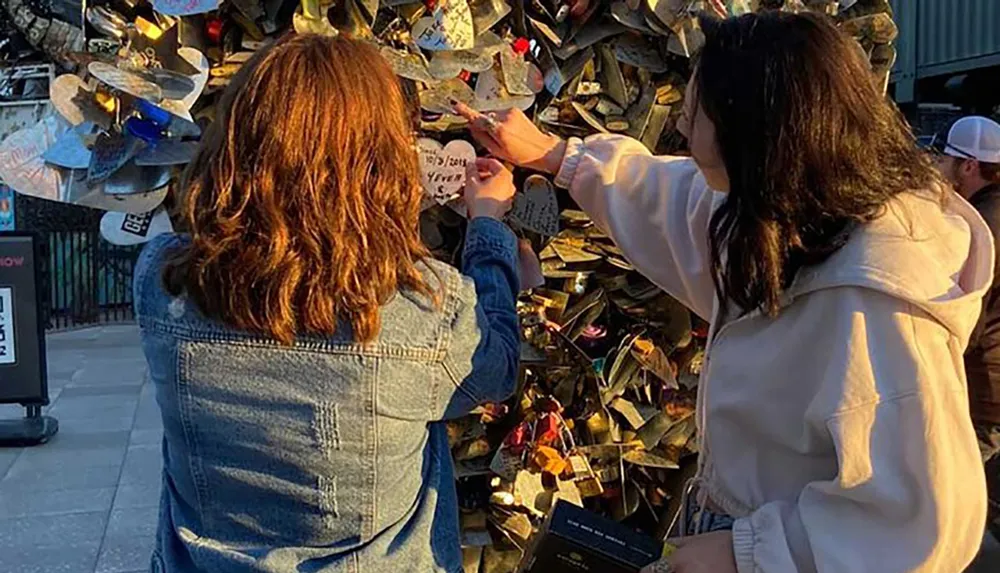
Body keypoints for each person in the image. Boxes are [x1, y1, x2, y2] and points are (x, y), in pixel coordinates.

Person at [458, 11, 990, 573]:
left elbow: (928, 524)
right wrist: (556, 156)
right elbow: (675, 202)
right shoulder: (791, 219)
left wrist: (749, 552)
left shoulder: (876, 301)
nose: (682, 128)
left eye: (696, 111)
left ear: (754, 130)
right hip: (730, 527)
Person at [134, 34, 521, 573]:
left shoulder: (162, 280)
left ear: (232, 142)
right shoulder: (420, 311)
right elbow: (497, 368)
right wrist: (487, 227)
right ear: (382, 158)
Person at [931, 115, 1000, 542]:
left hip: (986, 389)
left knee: (958, 512)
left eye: (947, 160)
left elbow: (966, 314)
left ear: (969, 166)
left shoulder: (980, 227)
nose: (941, 168)